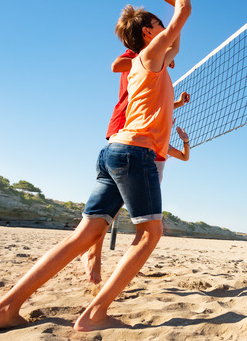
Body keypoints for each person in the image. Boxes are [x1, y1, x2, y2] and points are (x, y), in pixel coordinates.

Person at [0, 0, 191, 332]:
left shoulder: (150, 62)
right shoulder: (150, 56)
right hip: (134, 153)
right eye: (157, 26)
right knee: (150, 234)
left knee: (85, 234)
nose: (164, 31)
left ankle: (3, 308)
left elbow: (177, 30)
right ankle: (94, 314)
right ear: (146, 32)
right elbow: (184, 16)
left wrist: (170, 5)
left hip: (112, 153)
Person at [81, 34, 191, 285]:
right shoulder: (142, 57)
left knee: (119, 208)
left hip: (141, 136)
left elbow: (157, 107)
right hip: (126, 129)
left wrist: (178, 103)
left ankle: (112, 259)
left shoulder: (156, 73)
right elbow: (116, 65)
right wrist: (150, 55)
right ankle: (94, 254)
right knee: (117, 211)